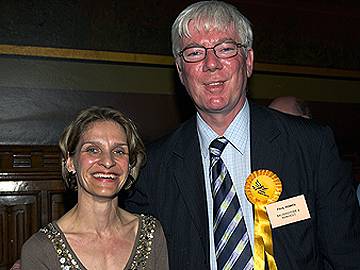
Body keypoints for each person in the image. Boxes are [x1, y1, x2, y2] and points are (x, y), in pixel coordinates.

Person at [122, 1, 360, 270]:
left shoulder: (311, 146)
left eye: (225, 49)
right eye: (195, 52)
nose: (211, 64)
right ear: (180, 70)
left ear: (248, 61)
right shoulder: (152, 167)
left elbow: (346, 257)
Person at [21, 106, 169, 269]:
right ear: (70, 162)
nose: (108, 161)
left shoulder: (151, 234)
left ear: (130, 164)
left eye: (119, 151)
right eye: (93, 150)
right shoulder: (41, 250)